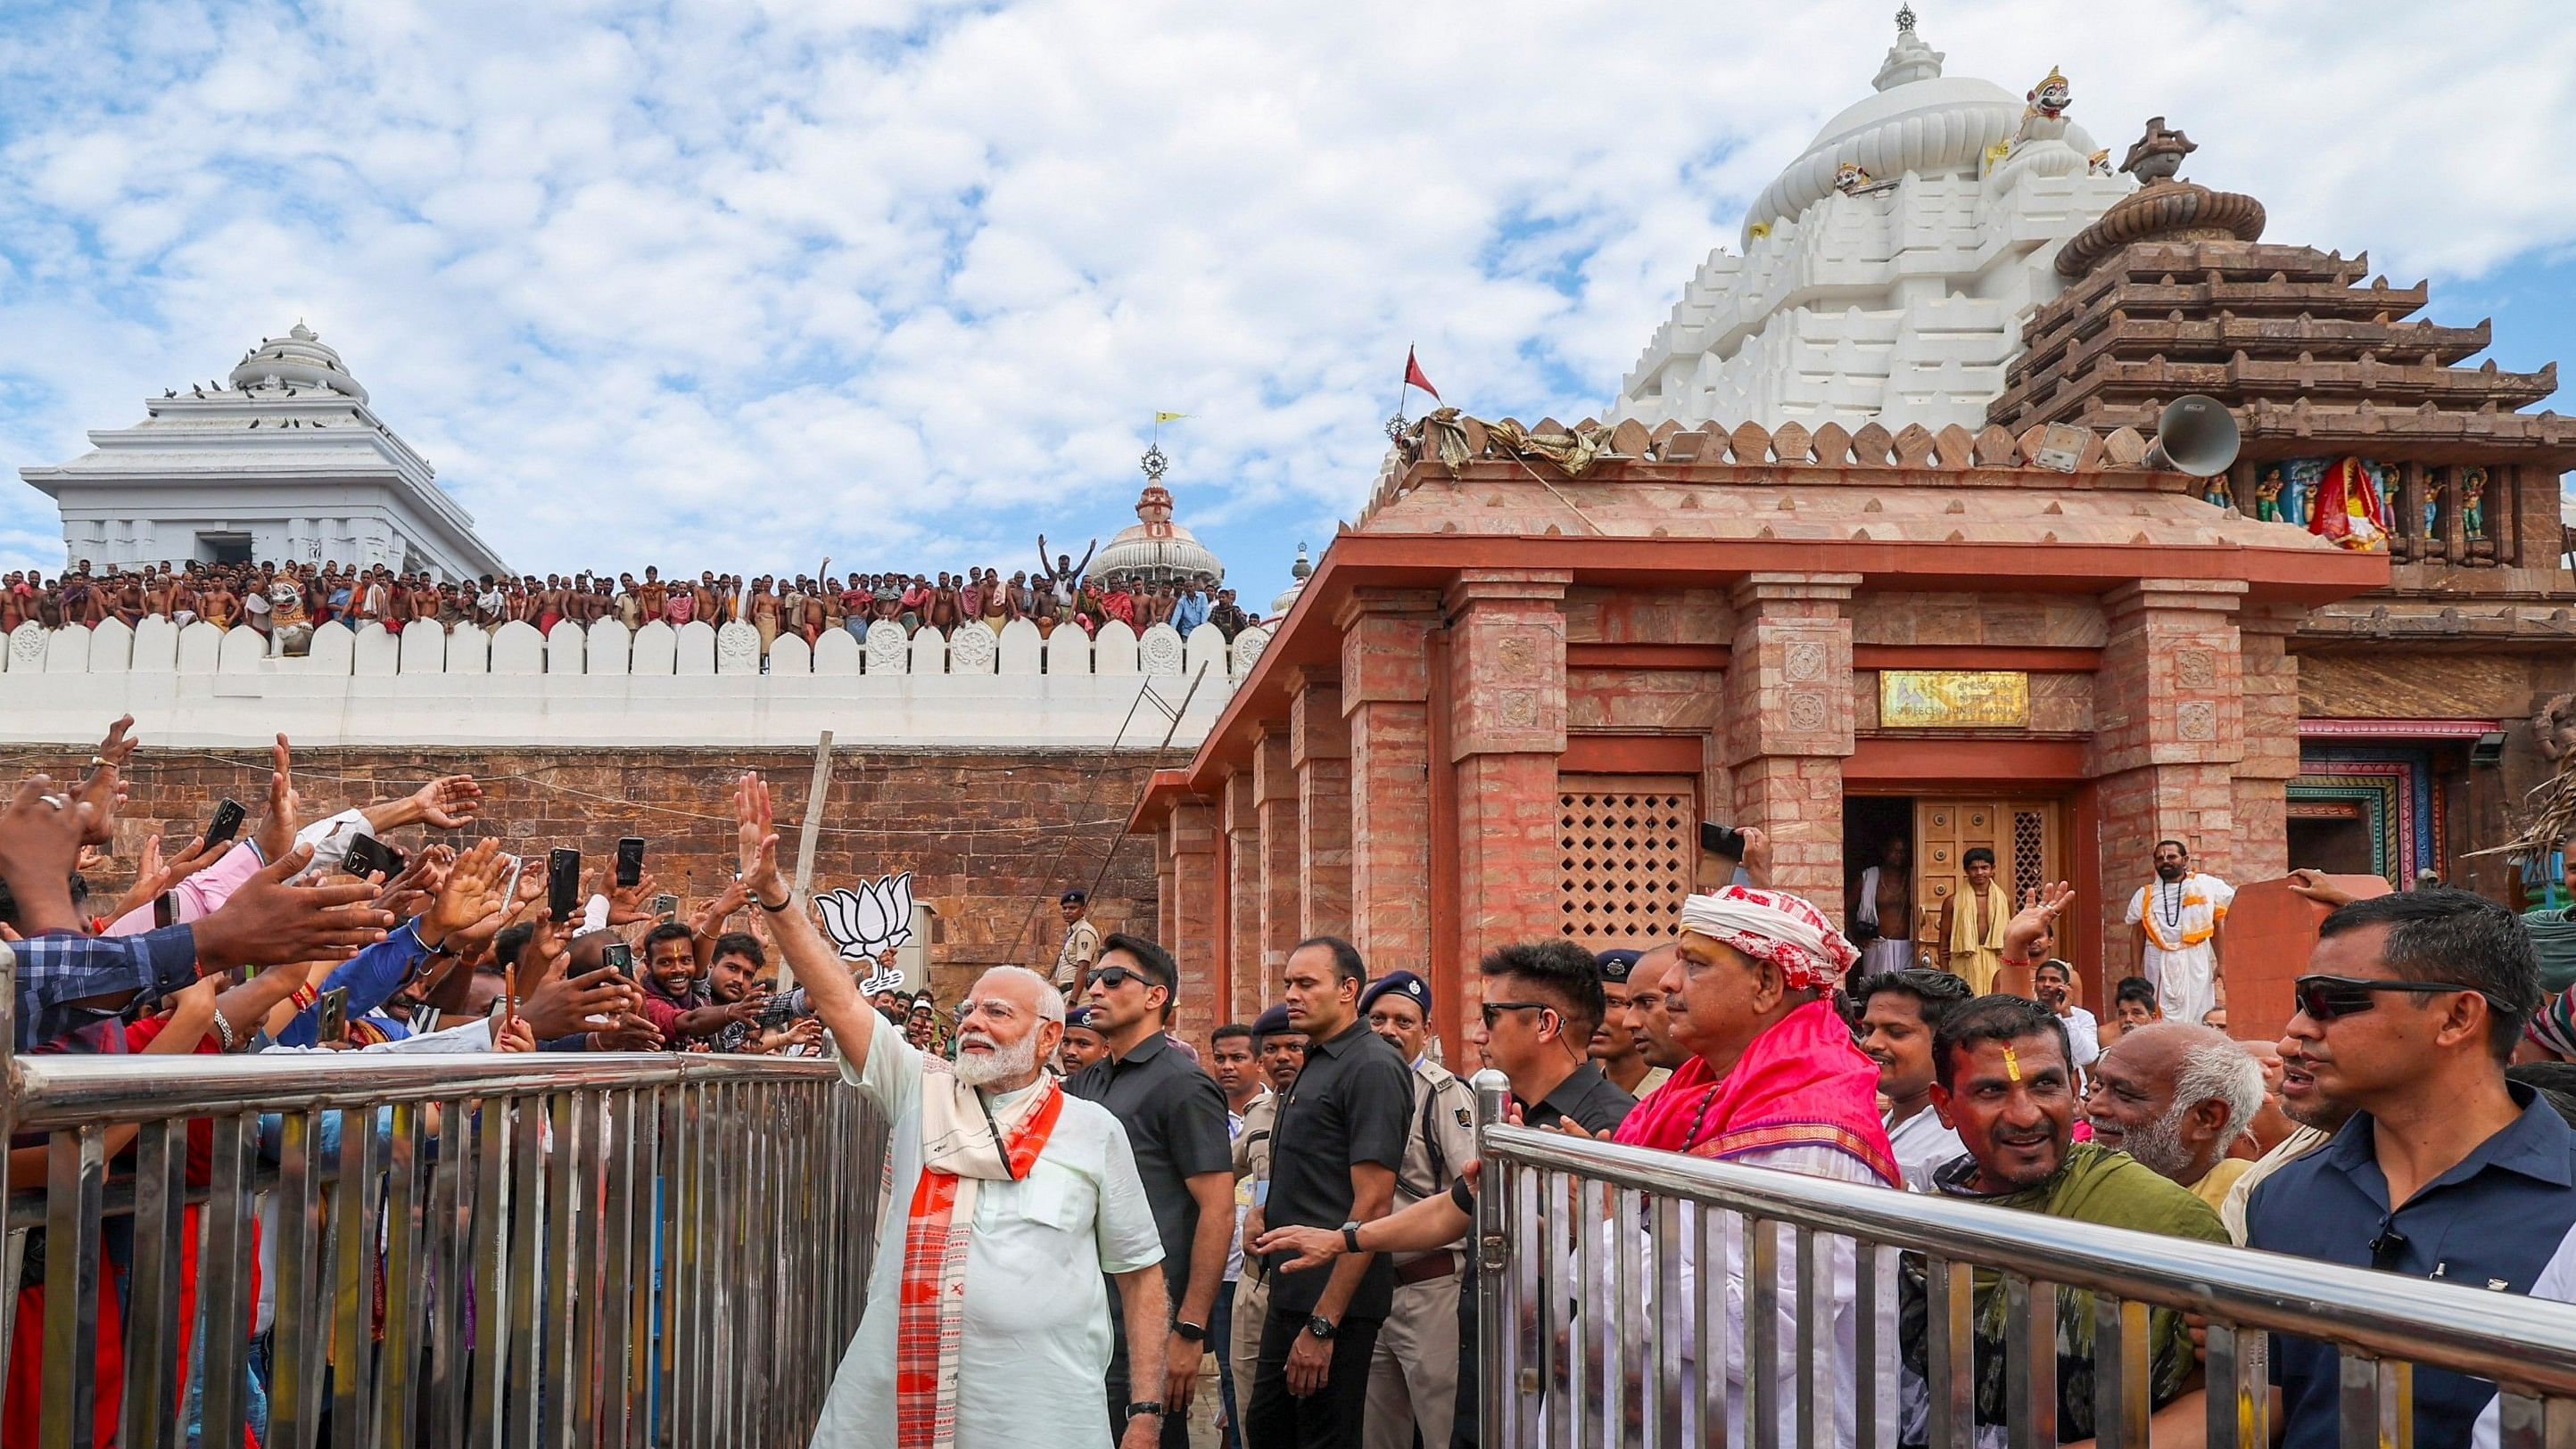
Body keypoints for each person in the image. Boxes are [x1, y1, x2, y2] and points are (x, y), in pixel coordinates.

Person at [723, 780, 1166, 1449]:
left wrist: (1145, 1410)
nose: (973, 1022)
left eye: (997, 1012)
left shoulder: (1092, 1130)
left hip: (1039, 1411)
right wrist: (776, 894)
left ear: (1049, 1038)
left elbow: (1140, 1273)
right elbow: (840, 999)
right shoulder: (922, 1088)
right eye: (970, 1010)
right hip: (896, 1394)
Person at [2247, 889, 2574, 1449]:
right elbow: (2273, 1400)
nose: (2295, 1031)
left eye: (2332, 1001)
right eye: (2302, 1000)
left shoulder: (2565, 1209)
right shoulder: (2284, 1195)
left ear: (2457, 1017)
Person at [1901, 993, 2228, 1449]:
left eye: (2045, 1085)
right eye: (1991, 1091)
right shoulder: (1922, 1224)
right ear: (1945, 1106)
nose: (2025, 1114)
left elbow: (2219, 1397)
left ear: (2076, 1090)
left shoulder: (2162, 1219)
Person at [1244, 937, 1412, 1449]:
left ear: (1348, 989)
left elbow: (1373, 1204)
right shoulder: (1315, 1060)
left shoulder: (1372, 1067)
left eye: (1306, 984)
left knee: (1323, 1438)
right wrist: (1262, 1205)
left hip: (1333, 1302)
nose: (1291, 995)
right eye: (1288, 984)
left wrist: (1323, 1325)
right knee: (1268, 1429)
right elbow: (1307, 1165)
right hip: (1290, 1288)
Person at [1069, 935, 1234, 1449]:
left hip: (1145, 1324)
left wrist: (1189, 1328)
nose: (1095, 988)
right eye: (1094, 979)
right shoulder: (1086, 1082)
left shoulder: (1183, 1085)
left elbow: (1217, 1209)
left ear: (1155, 996)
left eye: (1113, 979)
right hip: (1083, 1315)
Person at [1356, 970, 1476, 1449]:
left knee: (1443, 1426)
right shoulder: (1358, 1089)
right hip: (1369, 1290)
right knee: (1376, 1433)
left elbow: (1470, 1189)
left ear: (1425, 1030)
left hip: (1429, 1292)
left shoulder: (1443, 1094)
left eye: (1404, 1021)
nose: (1389, 1030)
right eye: (1378, 1018)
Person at [2082, 1020, 2263, 1212]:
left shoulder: (2243, 1217)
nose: (2094, 1106)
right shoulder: (2073, 1182)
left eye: (2124, 1094)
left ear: (2206, 1119)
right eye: (2099, 1086)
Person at [1466, 940, 1636, 1133]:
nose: (1477, 1036)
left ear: (1546, 1024)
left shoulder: (1611, 1126)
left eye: (1491, 1017)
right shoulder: (1509, 1110)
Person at [1230, 1003, 1304, 1445]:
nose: (1282, 1057)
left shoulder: (1330, 1109)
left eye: (1294, 1047)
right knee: (1251, 1412)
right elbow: (1228, 1170)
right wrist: (1243, 1215)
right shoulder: (1258, 1113)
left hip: (1309, 1280)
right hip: (1256, 1282)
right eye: (1272, 1049)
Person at [1857, 967, 1975, 1190]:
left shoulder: (1962, 1141)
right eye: (1867, 1030)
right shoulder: (1876, 1121)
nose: (1872, 1043)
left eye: (1896, 1032)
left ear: (1947, 1043)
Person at [1207, 1023, 1266, 1449]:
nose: (1228, 1067)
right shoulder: (1204, 1116)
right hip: (1216, 1265)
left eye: (1238, 1058)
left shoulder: (1274, 1112)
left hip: (1258, 1266)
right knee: (1230, 1375)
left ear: (1257, 1061)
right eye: (1221, 1058)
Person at [2124, 838, 2234, 1028]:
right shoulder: (2145, 894)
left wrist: (2222, 964)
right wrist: (2137, 972)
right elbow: (2137, 935)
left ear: (2185, 860)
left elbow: (2217, 925)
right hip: (2157, 959)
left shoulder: (2207, 886)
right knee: (2160, 1014)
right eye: (2160, 858)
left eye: (2172, 857)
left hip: (2196, 958)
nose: (2166, 861)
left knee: (2198, 1010)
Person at [1590, 948, 1670, 1098]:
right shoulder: (1581, 1099)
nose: (1595, 1014)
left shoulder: (1674, 1097)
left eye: (1613, 1002)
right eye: (1589, 1001)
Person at [1940, 846, 2010, 993]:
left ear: (1993, 869)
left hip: (1996, 963)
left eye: (1984, 868)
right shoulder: (1952, 902)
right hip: (1963, 963)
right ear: (1966, 871)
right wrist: (1945, 977)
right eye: (1974, 868)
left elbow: (2011, 937)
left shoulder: (2005, 901)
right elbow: (1944, 942)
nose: (1979, 873)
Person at [1849, 836, 1917, 977]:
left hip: (1910, 947)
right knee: (1878, 993)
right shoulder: (1869, 877)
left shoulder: (1916, 877)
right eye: (1894, 850)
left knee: (1907, 994)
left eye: (1903, 851)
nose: (1899, 854)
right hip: (1878, 947)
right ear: (1884, 852)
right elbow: (1844, 907)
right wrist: (1854, 937)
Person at [2030, 953, 2101, 1079]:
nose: (2046, 984)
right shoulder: (2025, 1014)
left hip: (2073, 1087)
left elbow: (2087, 1057)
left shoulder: (2083, 1017)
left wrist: (2067, 1015)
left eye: (2054, 980)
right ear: (2035, 985)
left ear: (2067, 986)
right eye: (2042, 979)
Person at [1056, 888, 1102, 998]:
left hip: (1077, 994)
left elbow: (1083, 968)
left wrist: (1073, 1001)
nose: (1067, 911)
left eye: (1072, 908)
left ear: (1082, 910)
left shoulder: (1084, 932)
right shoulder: (1074, 932)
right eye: (1064, 908)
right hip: (1067, 992)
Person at [1059, 1003, 1110, 1074]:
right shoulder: (1051, 1084)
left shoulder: (1121, 1084)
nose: (1070, 1051)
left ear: (1106, 1049)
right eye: (1066, 1042)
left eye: (1083, 1044)